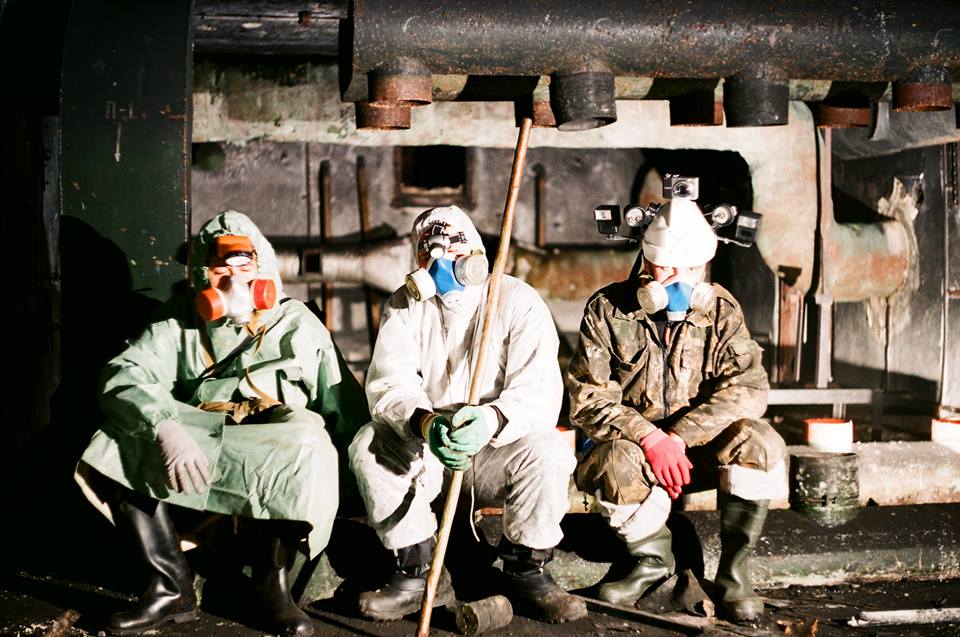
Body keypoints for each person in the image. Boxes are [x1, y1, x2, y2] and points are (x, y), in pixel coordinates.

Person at [75, 210, 368, 637]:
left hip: (272, 440)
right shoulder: (179, 319)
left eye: (245, 267)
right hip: (201, 438)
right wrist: (166, 428)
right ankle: (170, 587)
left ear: (263, 268)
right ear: (202, 274)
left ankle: (272, 587)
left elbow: (343, 406)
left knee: (308, 438)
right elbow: (126, 373)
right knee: (117, 438)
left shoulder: (297, 323)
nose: (234, 281)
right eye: (221, 270)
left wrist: (367, 481)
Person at [348, 205, 587, 623]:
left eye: (455, 253)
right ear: (419, 261)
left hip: (496, 446)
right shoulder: (405, 305)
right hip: (431, 447)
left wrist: (493, 418)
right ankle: (419, 570)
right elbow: (388, 385)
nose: (444, 266)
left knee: (548, 449)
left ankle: (526, 569)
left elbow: (540, 391)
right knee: (368, 443)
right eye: (432, 255)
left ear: (476, 254)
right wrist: (425, 423)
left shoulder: (517, 301)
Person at [566, 197, 787, 622]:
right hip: (637, 453)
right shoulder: (608, 310)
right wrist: (650, 438)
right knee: (613, 461)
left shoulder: (721, 311)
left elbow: (748, 388)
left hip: (695, 451)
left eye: (692, 269)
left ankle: (734, 574)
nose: (680, 281)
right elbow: (587, 398)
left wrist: (679, 437)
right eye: (667, 269)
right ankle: (653, 564)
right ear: (647, 262)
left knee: (760, 443)